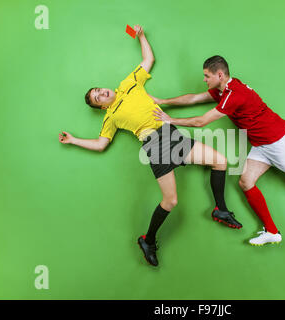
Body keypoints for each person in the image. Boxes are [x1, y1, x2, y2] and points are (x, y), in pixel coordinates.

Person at [58, 29, 242, 267]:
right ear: (102, 107)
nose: (102, 93)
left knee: (221, 161)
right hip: (154, 145)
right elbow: (101, 144)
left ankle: (220, 209)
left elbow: (148, 60)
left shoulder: (129, 83)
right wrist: (74, 140)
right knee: (171, 201)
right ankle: (148, 240)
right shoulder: (110, 117)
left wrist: (141, 36)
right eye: (98, 98)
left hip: (171, 134)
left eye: (99, 90)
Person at [152, 55, 285, 246]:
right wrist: (161, 100)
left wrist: (171, 120)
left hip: (278, 140)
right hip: (261, 145)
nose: (204, 79)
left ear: (219, 75)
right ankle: (272, 232)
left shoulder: (234, 94)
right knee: (246, 181)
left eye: (206, 76)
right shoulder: (222, 89)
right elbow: (193, 98)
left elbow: (201, 121)